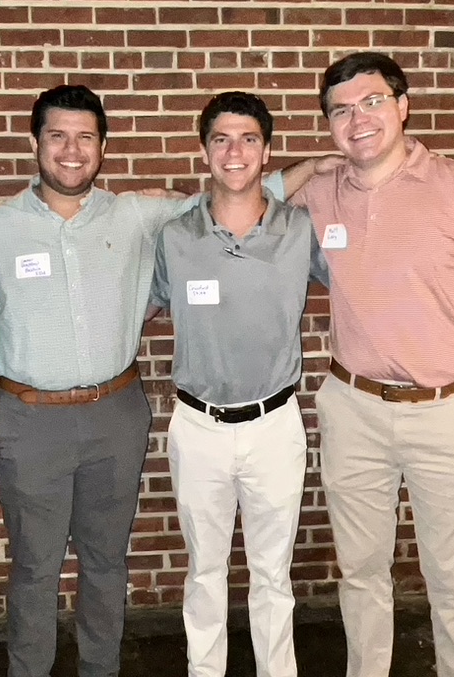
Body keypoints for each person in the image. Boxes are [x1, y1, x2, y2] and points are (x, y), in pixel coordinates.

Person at [0, 84, 325, 677]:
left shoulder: (139, 215)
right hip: (29, 422)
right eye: (58, 136)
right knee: (32, 566)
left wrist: (312, 167)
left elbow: (239, 193)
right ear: (36, 142)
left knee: (107, 560)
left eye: (85, 138)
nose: (72, 151)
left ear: (101, 148)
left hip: (114, 413)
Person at [290, 52, 454, 677]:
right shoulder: (322, 194)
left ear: (403, 107)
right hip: (353, 409)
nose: (358, 119)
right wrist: (314, 165)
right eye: (340, 111)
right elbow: (248, 196)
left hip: (449, 412)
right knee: (361, 573)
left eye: (372, 101)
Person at [149, 92, 328, 677]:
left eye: (248, 139)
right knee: (205, 569)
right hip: (198, 425)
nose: (235, 151)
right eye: (221, 139)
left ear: (266, 150)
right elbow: (145, 304)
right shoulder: (175, 237)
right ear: (205, 151)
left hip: (275, 423)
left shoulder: (299, 229)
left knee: (273, 574)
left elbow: (359, 282)